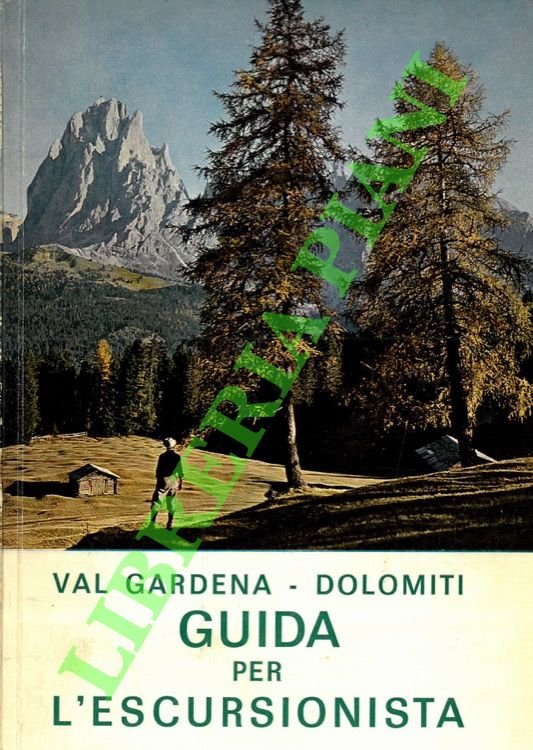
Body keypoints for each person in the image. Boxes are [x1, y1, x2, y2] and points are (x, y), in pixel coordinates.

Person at [150, 437, 184, 530]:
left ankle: (152, 523)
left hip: (163, 481)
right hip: (173, 481)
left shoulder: (162, 456)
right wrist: (180, 482)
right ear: (174, 445)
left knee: (156, 502)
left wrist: (159, 481)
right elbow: (180, 470)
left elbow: (158, 471)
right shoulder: (177, 457)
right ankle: (169, 523)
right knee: (171, 503)